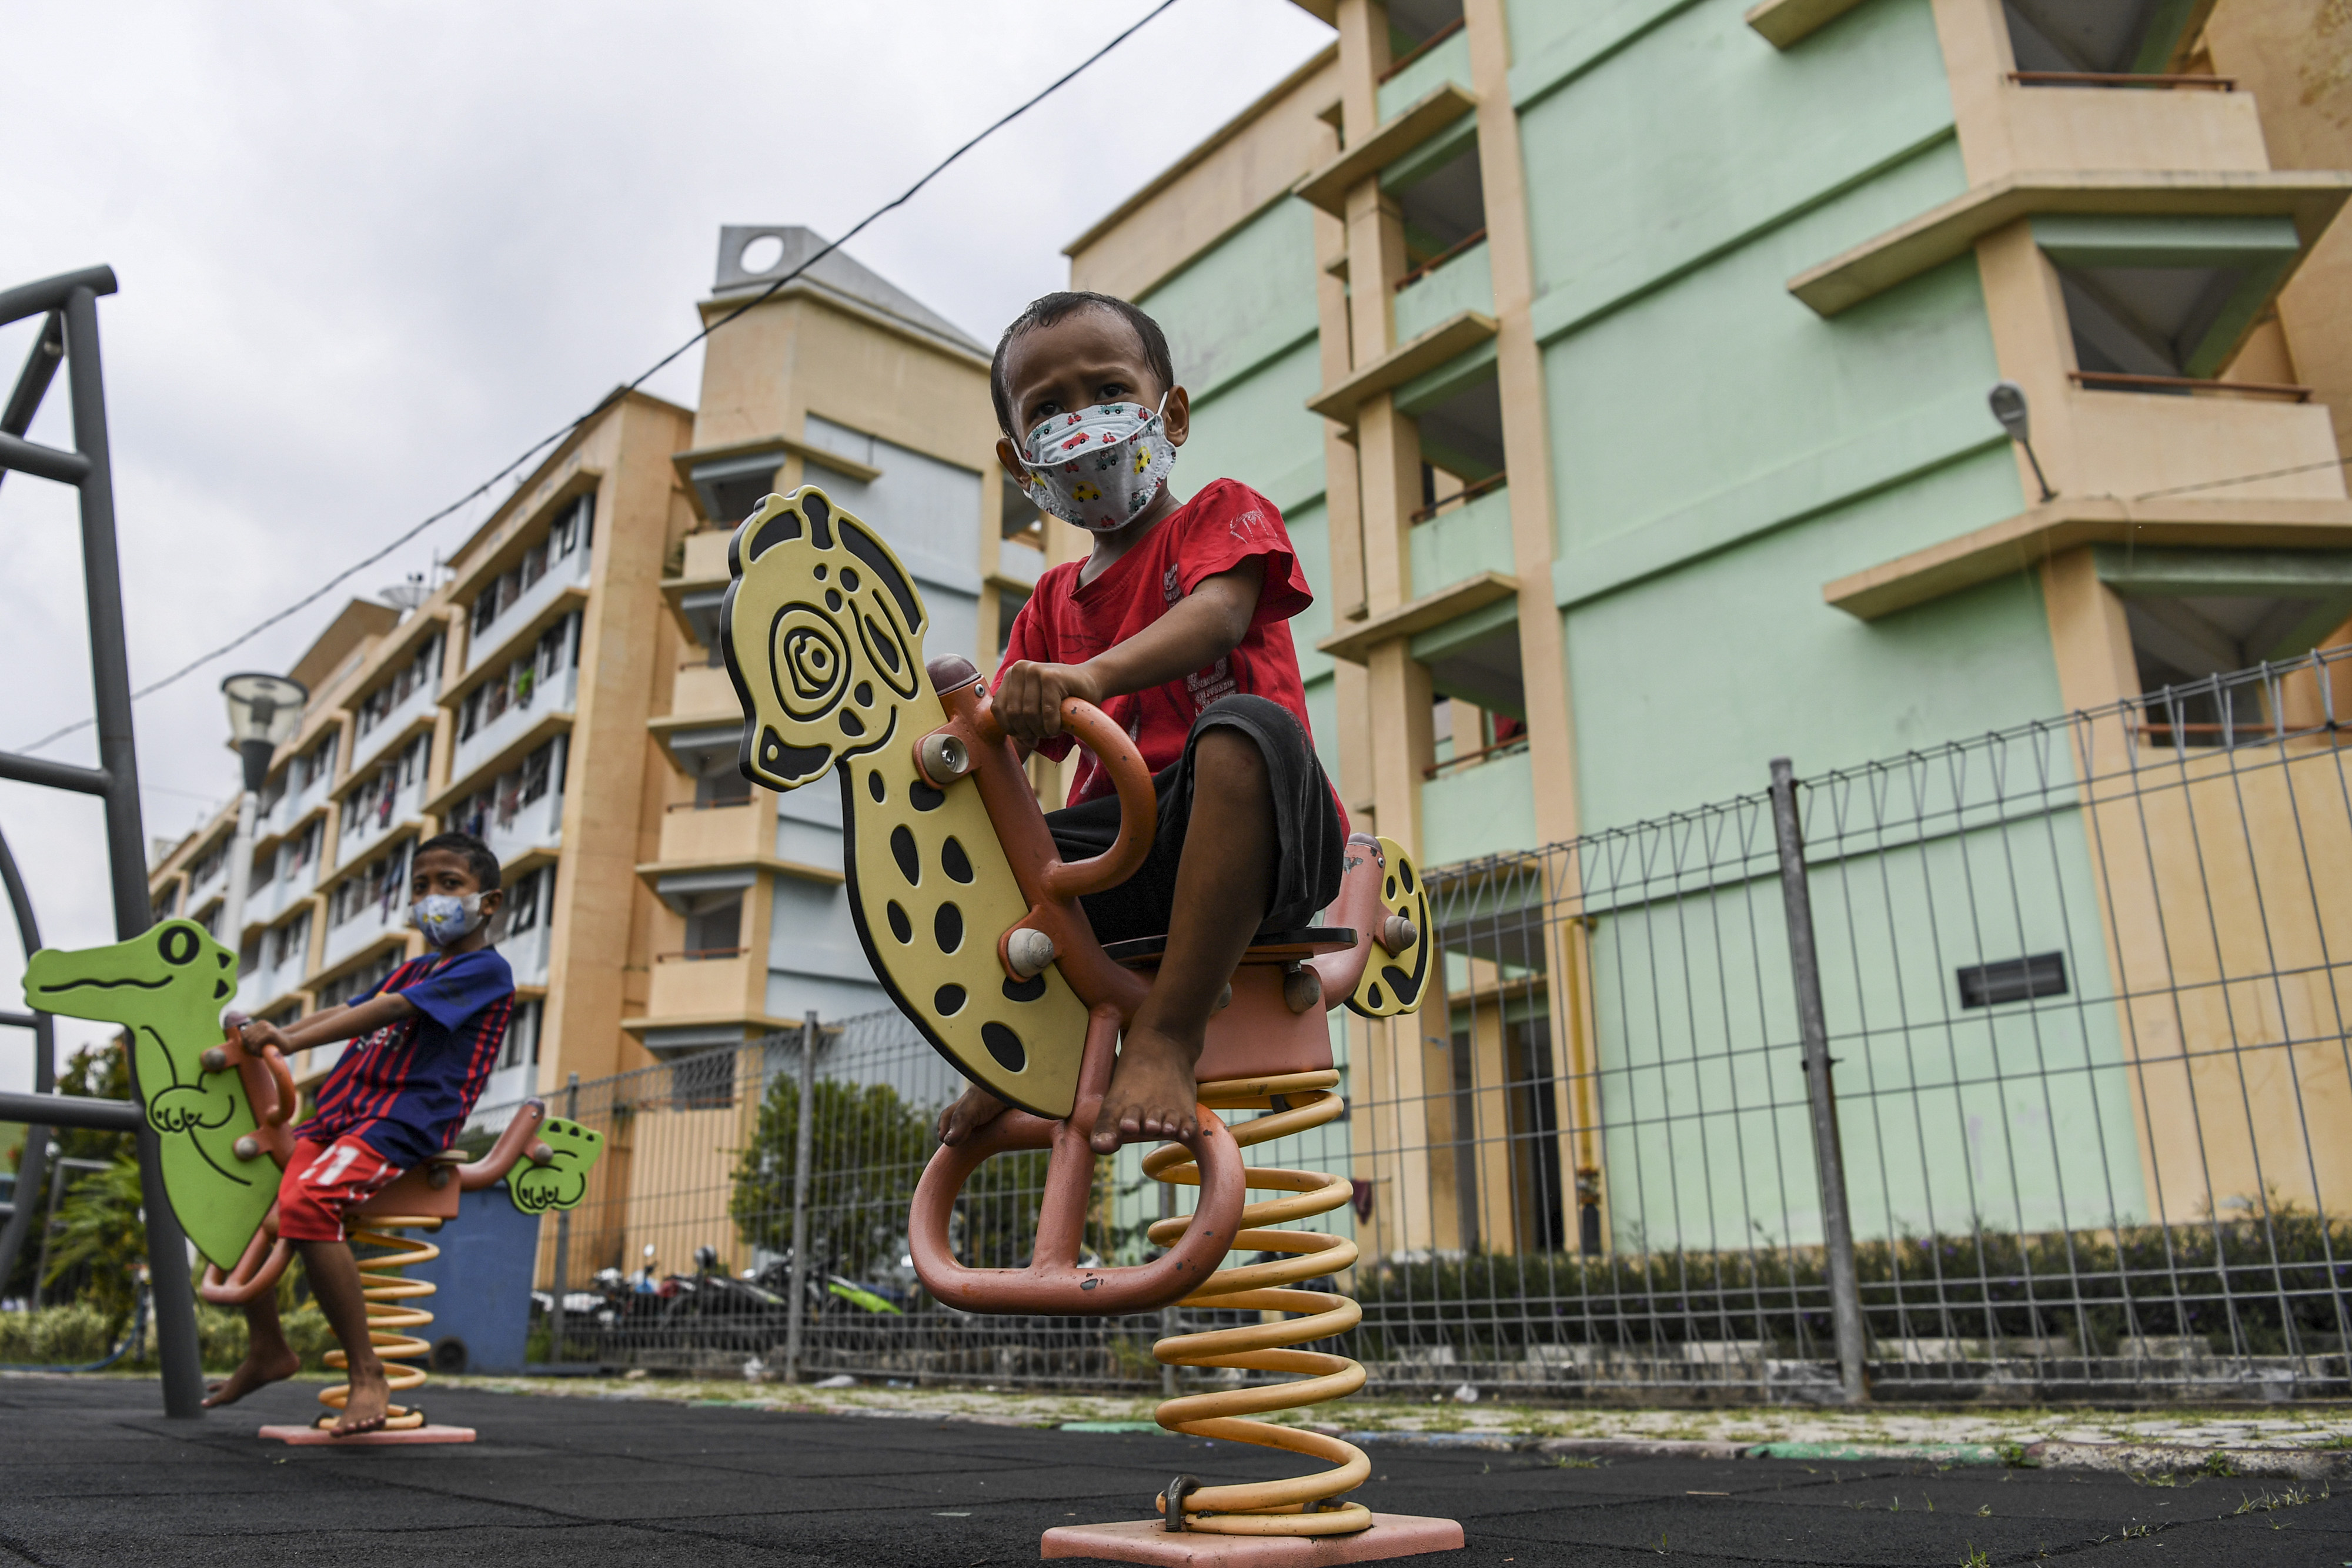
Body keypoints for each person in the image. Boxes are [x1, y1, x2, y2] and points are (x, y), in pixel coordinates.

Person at [937, 291, 1345, 1158]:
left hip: (1264, 837)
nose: (1082, 421)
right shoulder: (1050, 602)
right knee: (981, 846)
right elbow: (997, 748)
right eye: (1048, 409)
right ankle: (1018, 1038)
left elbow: (1220, 618)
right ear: (1019, 461)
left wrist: (1086, 676)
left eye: (1109, 390)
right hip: (1126, 855)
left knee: (1241, 732)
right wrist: (961, 737)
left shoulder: (1220, 515)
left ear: (1173, 414)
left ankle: (1167, 1034)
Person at [202, 832, 515, 1435]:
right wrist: (275, 1030)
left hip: (402, 1119)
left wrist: (289, 1041)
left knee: (308, 1202)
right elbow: (349, 1011)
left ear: (489, 902)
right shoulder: (416, 967)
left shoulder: (485, 970)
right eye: (421, 886)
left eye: (450, 884)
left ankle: (368, 1373)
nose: (432, 897)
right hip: (341, 1115)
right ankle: (268, 1349)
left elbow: (392, 1010)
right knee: (251, 1205)